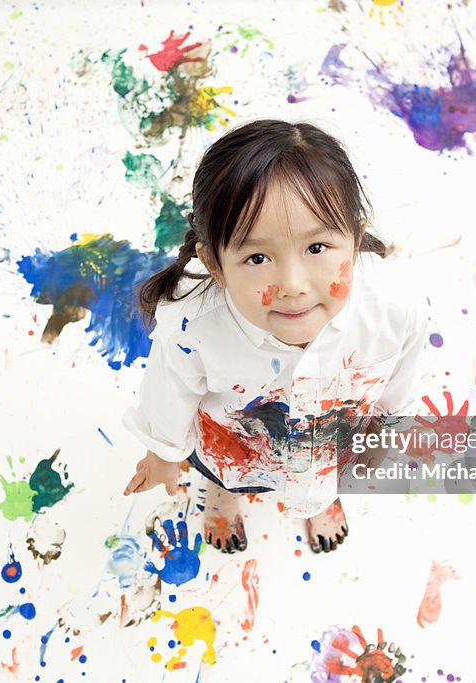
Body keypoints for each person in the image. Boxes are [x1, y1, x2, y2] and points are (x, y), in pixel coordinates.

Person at [122, 119, 427, 554]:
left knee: (323, 476)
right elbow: (165, 400)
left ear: (355, 241)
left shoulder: (396, 306)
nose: (293, 284)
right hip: (234, 447)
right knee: (223, 473)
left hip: (329, 443)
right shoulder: (191, 329)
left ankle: (319, 502)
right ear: (214, 264)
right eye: (257, 257)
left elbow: (400, 382)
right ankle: (222, 500)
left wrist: (386, 432)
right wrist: (164, 457)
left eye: (317, 248)